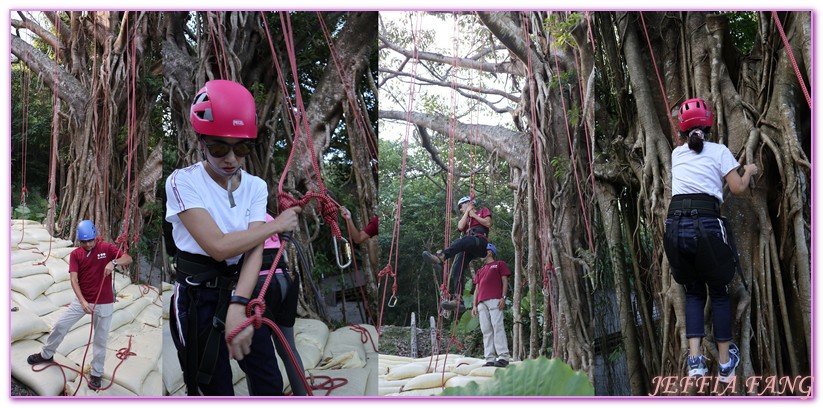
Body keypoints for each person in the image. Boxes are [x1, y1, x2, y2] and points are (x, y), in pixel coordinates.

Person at [165, 79, 301, 395]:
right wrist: (276, 225)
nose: (230, 158)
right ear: (201, 143)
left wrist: (240, 303)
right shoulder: (181, 182)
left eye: (240, 148)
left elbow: (253, 248)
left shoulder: (255, 186)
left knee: (268, 381)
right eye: (218, 147)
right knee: (213, 386)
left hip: (242, 287)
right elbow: (218, 246)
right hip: (197, 297)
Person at [663, 97, 758, 383]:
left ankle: (695, 363)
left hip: (675, 229)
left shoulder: (676, 154)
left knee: (693, 293)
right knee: (718, 292)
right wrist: (750, 170)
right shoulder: (719, 151)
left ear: (680, 131)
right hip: (706, 228)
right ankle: (726, 364)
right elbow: (738, 188)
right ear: (710, 126)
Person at [27, 220, 133, 390]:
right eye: (84, 242)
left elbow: (128, 258)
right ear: (79, 241)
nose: (88, 244)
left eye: (91, 240)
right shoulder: (76, 255)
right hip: (82, 300)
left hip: (104, 302)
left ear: (96, 238)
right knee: (61, 325)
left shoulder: (106, 248)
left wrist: (113, 263)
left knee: (100, 339)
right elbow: (73, 279)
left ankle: (97, 373)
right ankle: (46, 354)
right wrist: (83, 301)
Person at [256, 213, 307, 396]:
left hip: (260, 284)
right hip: (284, 280)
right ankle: (303, 397)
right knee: (288, 348)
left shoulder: (240, 214)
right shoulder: (270, 217)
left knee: (256, 355)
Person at [422, 195, 492, 311]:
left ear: (469, 203)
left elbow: (488, 224)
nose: (460, 209)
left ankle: (442, 257)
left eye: (461, 206)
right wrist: (467, 213)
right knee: (457, 267)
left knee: (463, 240)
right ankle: (458, 298)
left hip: (480, 242)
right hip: (469, 245)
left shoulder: (482, 211)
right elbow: (460, 226)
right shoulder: (467, 218)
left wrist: (473, 214)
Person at [471, 243, 511, 368]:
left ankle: (503, 357)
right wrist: (474, 305)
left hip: (495, 300)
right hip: (482, 303)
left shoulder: (499, 264)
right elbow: (477, 289)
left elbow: (505, 281)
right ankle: (490, 358)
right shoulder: (480, 270)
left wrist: (503, 297)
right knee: (486, 330)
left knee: (497, 326)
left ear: (489, 252)